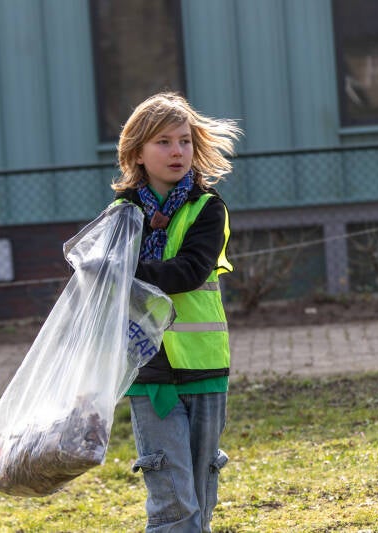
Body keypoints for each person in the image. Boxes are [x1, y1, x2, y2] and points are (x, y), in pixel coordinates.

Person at [111, 92, 241, 532]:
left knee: (200, 500)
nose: (177, 151)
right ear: (138, 152)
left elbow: (187, 271)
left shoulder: (209, 209)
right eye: (163, 142)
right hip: (149, 375)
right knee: (174, 503)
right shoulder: (120, 216)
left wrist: (123, 271)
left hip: (204, 369)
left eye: (184, 141)